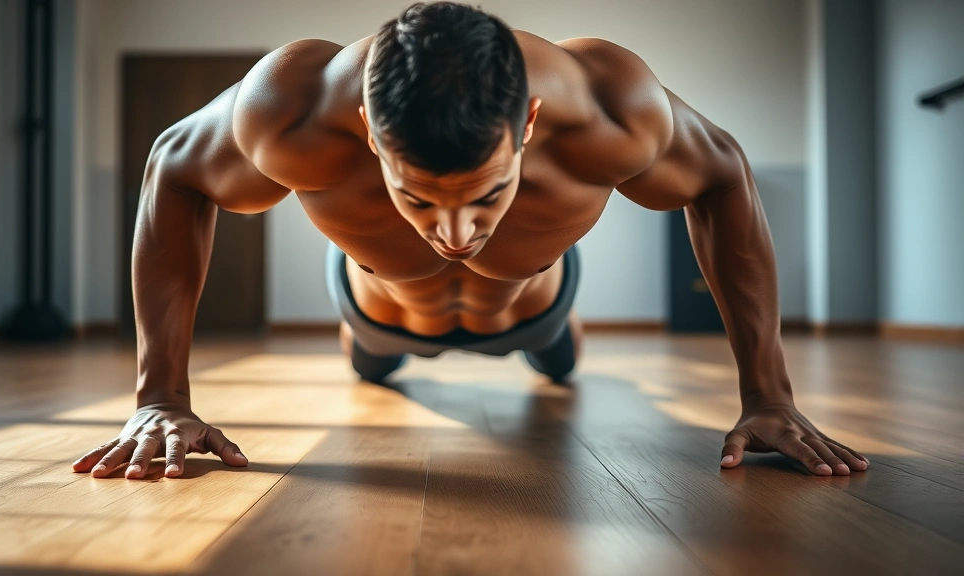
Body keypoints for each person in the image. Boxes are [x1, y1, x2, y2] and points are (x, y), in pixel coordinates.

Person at [72, 2, 869, 481]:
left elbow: (722, 170)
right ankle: (379, 342)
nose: (454, 234)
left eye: (487, 195)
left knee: (560, 361)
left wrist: (768, 396)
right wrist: (160, 399)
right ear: (369, 138)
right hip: (379, 310)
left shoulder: (608, 107)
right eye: (416, 198)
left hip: (539, 308)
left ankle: (557, 340)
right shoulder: (293, 111)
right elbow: (172, 168)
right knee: (371, 364)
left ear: (527, 126)